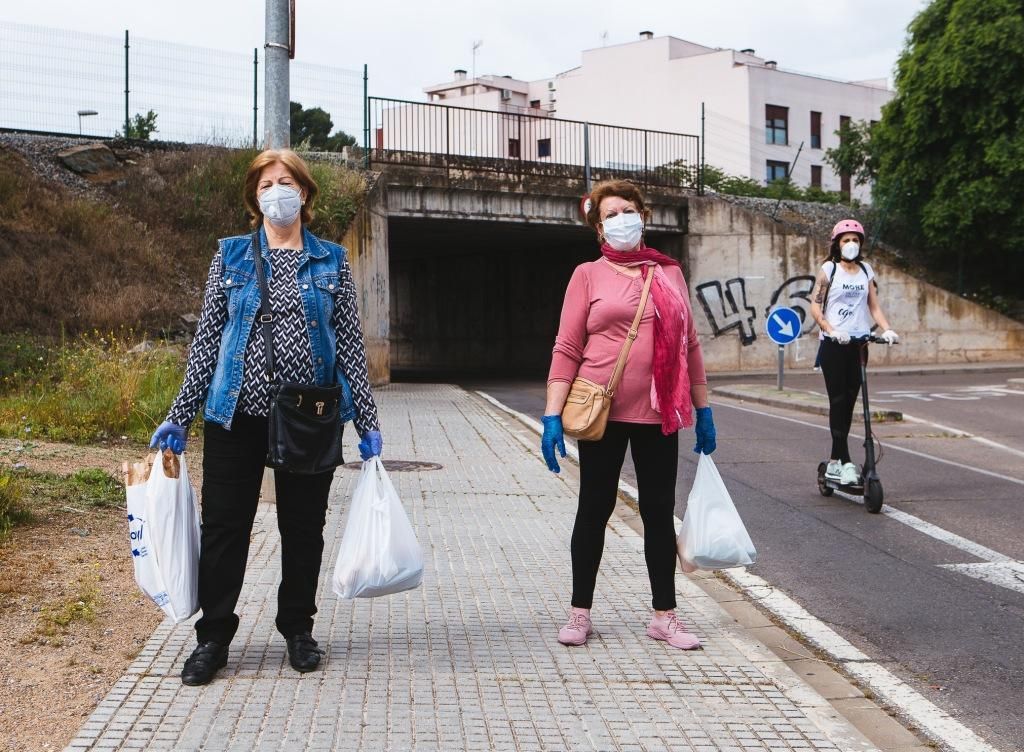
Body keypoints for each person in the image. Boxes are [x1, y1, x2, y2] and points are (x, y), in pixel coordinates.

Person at [150, 149, 383, 686]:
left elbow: (348, 344)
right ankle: (213, 639)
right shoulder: (230, 256)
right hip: (234, 417)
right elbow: (207, 342)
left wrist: (365, 418)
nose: (276, 191)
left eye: (286, 182)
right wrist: (180, 415)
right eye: (265, 184)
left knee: (303, 529)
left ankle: (298, 629)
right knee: (226, 529)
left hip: (308, 416)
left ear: (304, 192)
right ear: (255, 198)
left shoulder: (331, 261)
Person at [540, 179, 716, 650]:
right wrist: (552, 414)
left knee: (659, 515)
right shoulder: (587, 275)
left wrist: (704, 409)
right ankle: (580, 615)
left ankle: (665, 616)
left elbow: (691, 345)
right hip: (603, 411)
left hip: (660, 411)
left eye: (628, 210)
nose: (621, 219)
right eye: (610, 215)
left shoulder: (669, 273)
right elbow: (567, 346)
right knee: (593, 511)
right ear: (599, 228)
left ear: (644, 215)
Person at [809, 219, 898, 486]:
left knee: (849, 403)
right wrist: (829, 328)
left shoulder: (866, 271)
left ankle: (837, 461)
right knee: (837, 401)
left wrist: (887, 329)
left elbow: (874, 306)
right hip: (834, 345)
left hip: (858, 345)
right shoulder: (829, 269)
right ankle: (845, 461)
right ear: (837, 244)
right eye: (846, 240)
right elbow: (816, 305)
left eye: (855, 240)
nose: (851, 244)